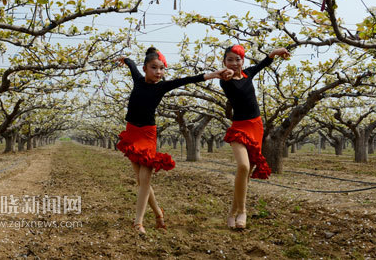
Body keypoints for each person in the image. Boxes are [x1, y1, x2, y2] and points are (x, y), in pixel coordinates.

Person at [117, 47, 230, 234]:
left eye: (162, 69)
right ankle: (159, 214)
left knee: (145, 179)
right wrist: (125, 59)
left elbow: (187, 80)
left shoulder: (161, 86)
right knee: (140, 180)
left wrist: (213, 75)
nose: (159, 72)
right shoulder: (138, 79)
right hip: (131, 133)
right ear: (145, 68)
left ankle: (138, 222)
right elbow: (131, 65)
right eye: (154, 68)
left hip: (147, 135)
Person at [219, 44, 290, 229]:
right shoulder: (224, 79)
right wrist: (224, 73)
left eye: (238, 59)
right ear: (224, 61)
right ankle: (242, 211)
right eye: (230, 59)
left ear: (243, 61)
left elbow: (265, 62)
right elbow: (224, 77)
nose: (234, 63)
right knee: (243, 166)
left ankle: (232, 213)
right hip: (239, 128)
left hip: (256, 126)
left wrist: (275, 52)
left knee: (247, 173)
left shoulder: (248, 73)